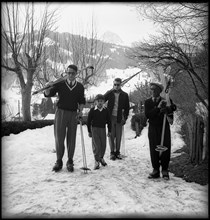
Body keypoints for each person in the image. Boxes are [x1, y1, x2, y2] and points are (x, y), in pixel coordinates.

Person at [44, 64, 86, 172]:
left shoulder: (80, 86)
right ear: (66, 73)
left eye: (73, 73)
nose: (70, 75)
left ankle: (70, 161)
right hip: (61, 112)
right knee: (59, 137)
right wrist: (48, 87)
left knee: (71, 138)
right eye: (68, 73)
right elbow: (48, 94)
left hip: (73, 114)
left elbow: (81, 101)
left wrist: (80, 111)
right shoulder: (60, 84)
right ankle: (59, 161)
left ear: (76, 74)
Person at [144, 82, 176, 180]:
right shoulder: (148, 102)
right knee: (154, 148)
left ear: (159, 90)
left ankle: (165, 169)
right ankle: (156, 170)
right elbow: (148, 115)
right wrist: (158, 109)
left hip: (164, 127)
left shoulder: (166, 100)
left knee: (165, 147)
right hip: (153, 128)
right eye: (151, 89)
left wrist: (168, 109)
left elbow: (173, 108)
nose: (152, 91)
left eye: (154, 89)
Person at [104, 78, 130, 160]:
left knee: (118, 136)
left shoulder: (125, 95)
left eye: (118, 84)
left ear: (121, 85)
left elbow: (127, 108)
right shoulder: (109, 93)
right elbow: (101, 99)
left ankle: (117, 152)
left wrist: (125, 118)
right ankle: (112, 153)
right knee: (111, 135)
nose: (116, 86)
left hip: (119, 118)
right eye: (114, 84)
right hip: (110, 117)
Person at [87, 94, 111, 170]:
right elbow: (88, 121)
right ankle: (96, 160)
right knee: (96, 145)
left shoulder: (106, 110)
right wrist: (89, 131)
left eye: (101, 101)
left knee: (103, 145)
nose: (100, 103)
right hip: (94, 129)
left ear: (104, 102)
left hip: (102, 129)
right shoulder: (92, 110)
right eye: (98, 101)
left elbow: (109, 121)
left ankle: (101, 158)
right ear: (95, 102)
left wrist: (109, 130)